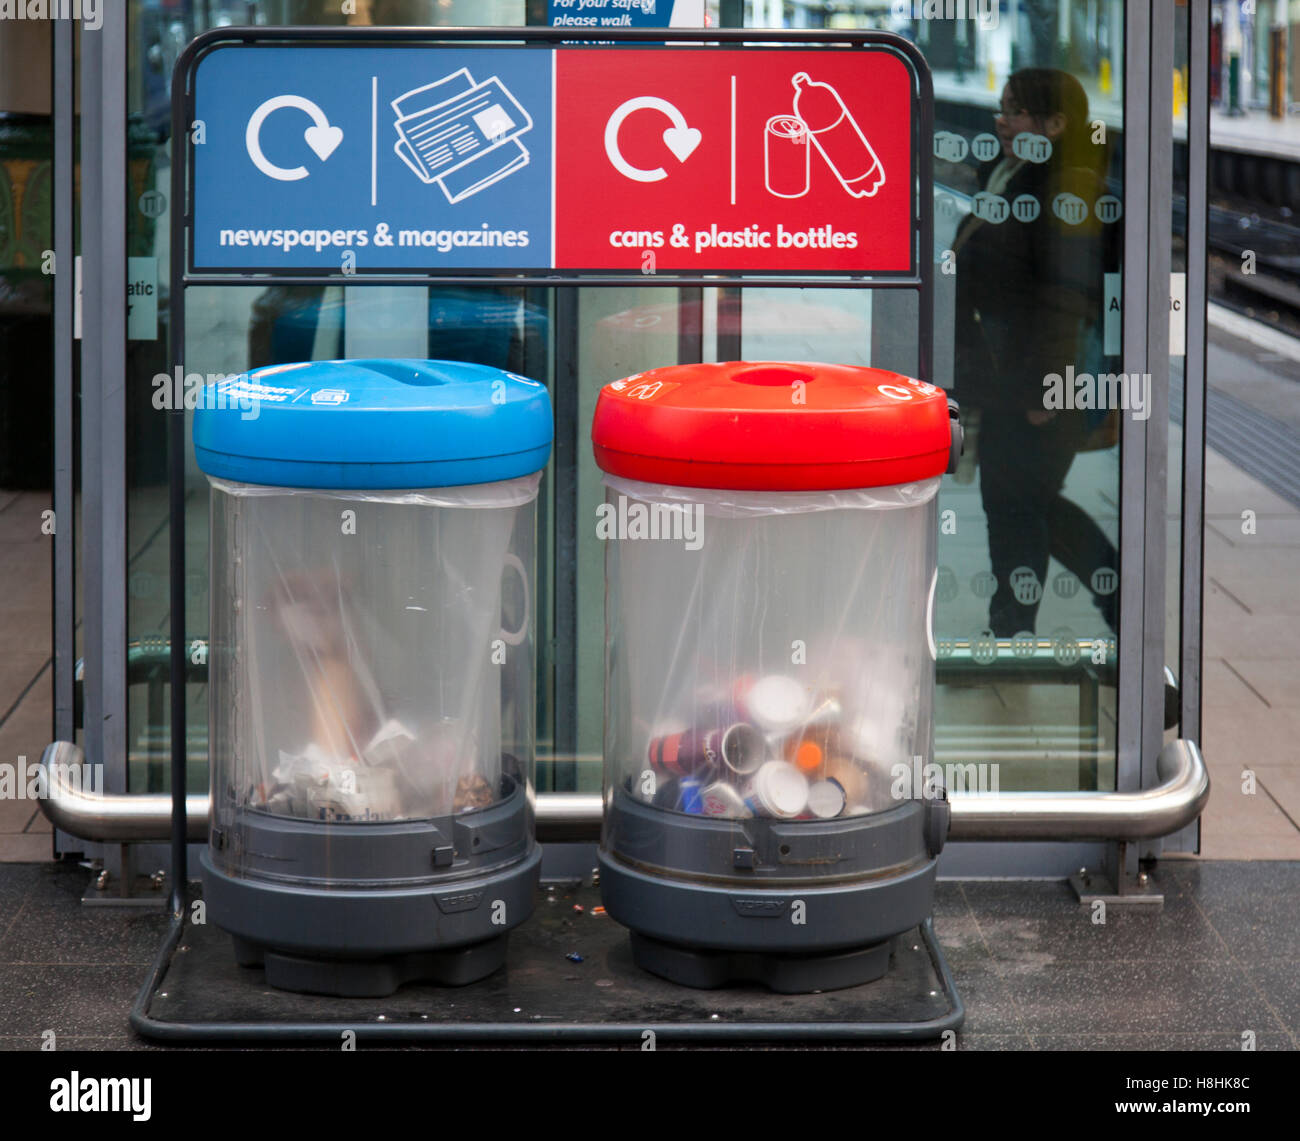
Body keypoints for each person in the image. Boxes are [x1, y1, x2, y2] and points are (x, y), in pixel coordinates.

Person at [952, 68, 1119, 636]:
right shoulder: (1008, 174)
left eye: (1016, 111)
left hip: (1044, 375)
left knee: (1020, 503)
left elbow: (1065, 298)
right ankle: (1023, 623)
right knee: (1022, 501)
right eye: (1002, 108)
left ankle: (1015, 628)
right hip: (1011, 370)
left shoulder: (1063, 189)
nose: (1002, 119)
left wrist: (1049, 384)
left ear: (1055, 124)